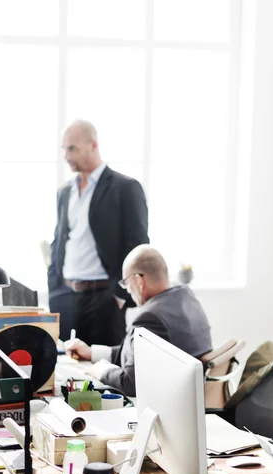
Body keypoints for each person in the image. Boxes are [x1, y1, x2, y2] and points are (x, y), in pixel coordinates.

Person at [48, 120, 149, 345]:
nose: (66, 155)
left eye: (72, 148)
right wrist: (54, 288)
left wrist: (119, 297)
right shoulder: (65, 192)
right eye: (64, 149)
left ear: (93, 145)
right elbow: (59, 241)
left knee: (105, 371)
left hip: (104, 299)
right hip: (66, 297)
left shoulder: (125, 188)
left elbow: (138, 246)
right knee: (65, 368)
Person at [65, 245, 212, 397]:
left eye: (126, 283)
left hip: (167, 401)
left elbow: (130, 383)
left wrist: (101, 370)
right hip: (188, 395)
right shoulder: (186, 298)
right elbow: (136, 355)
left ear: (139, 281)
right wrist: (92, 352)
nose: (128, 290)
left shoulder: (150, 317)